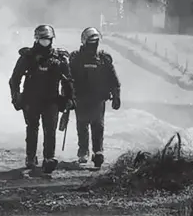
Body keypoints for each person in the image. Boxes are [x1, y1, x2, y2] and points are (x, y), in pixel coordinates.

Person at [9, 24, 75, 173]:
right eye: (43, 38)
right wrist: (16, 95)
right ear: (37, 39)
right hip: (31, 99)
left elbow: (68, 80)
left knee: (50, 130)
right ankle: (30, 157)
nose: (46, 41)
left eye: (48, 39)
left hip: (51, 100)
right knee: (32, 128)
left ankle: (48, 158)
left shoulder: (59, 58)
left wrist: (70, 98)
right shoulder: (28, 57)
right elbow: (15, 78)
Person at [69, 27, 121, 168]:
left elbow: (113, 79)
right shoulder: (75, 58)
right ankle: (83, 152)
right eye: (92, 42)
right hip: (81, 98)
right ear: (85, 42)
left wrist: (116, 95)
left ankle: (98, 151)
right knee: (82, 124)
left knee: (97, 125)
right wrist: (67, 96)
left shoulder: (103, 59)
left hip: (98, 99)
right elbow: (68, 78)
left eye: (96, 42)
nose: (94, 45)